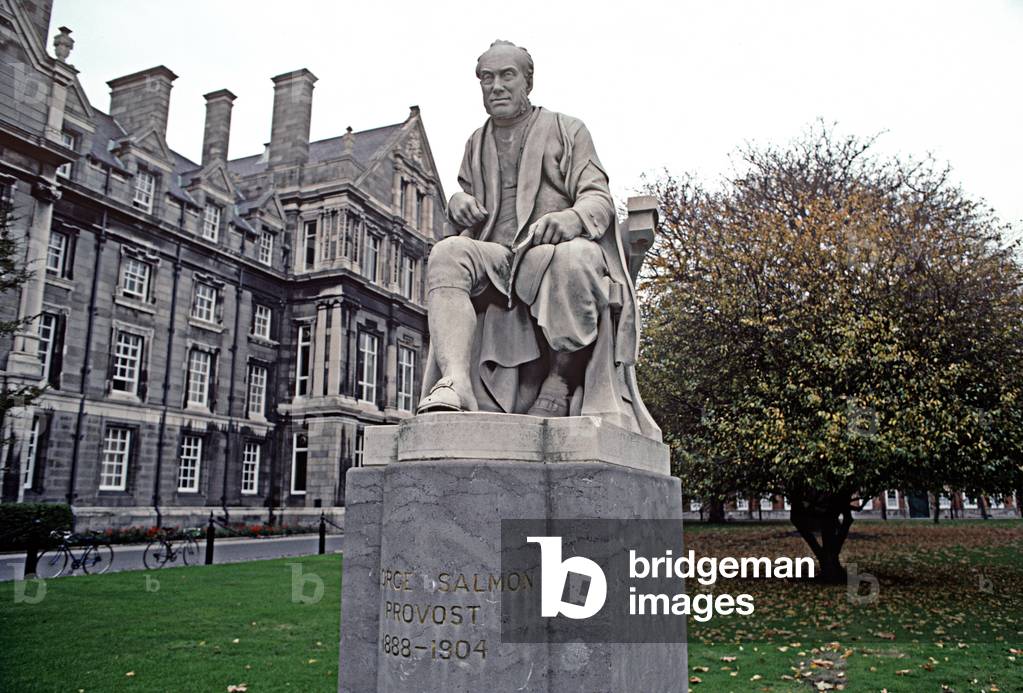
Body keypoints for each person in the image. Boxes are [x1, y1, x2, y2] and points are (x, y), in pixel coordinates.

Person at [418, 40, 658, 440]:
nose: (495, 86)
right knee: (446, 255)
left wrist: (571, 218)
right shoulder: (475, 143)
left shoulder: (568, 129)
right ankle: (456, 382)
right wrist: (458, 203)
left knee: (575, 260)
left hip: (552, 250)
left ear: (528, 81)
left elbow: (597, 198)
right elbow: (465, 215)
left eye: (506, 75)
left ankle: (560, 381)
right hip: (499, 256)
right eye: (486, 78)